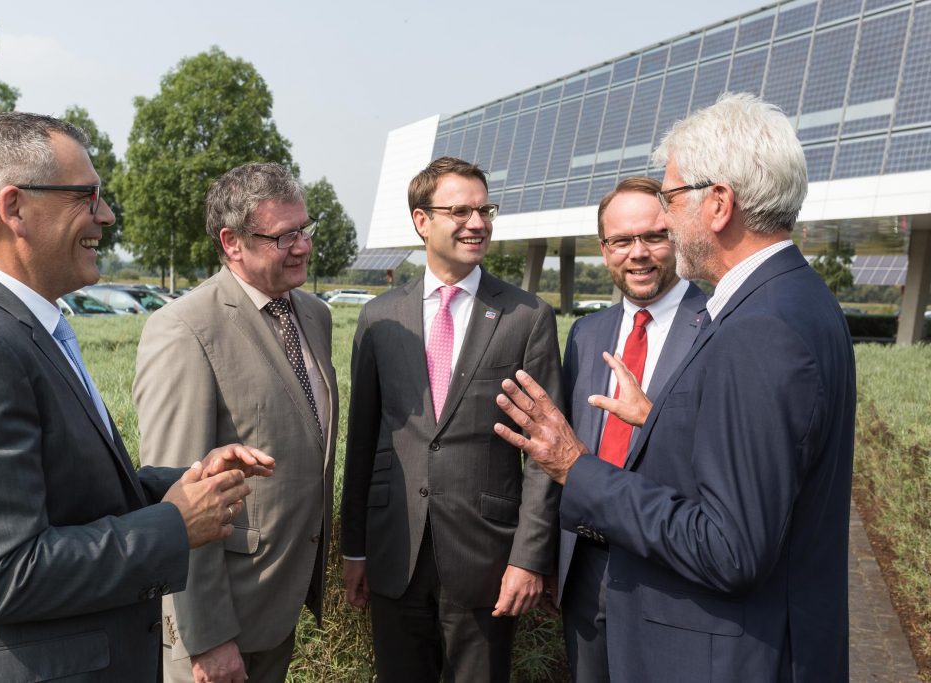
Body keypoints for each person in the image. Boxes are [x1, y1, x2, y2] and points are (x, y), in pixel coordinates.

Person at [495, 93, 855, 682]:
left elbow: (729, 548)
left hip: (720, 655)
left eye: (670, 198)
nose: (662, 218)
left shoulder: (758, 329)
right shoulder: (797, 300)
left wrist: (574, 467)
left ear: (718, 203)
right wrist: (662, 423)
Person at [0, 112, 274, 683]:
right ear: (13, 208)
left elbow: (61, 495)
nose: (105, 214)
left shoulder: (19, 326)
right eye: (87, 195)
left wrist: (177, 484)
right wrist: (175, 525)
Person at [340, 156, 563, 682]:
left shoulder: (526, 318)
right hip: (396, 556)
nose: (478, 222)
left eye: (485, 209)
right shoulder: (379, 319)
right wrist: (354, 549)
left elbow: (544, 455)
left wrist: (529, 557)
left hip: (486, 560)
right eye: (460, 210)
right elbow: (363, 438)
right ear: (421, 221)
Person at [134, 163, 337, 683]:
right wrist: (206, 636)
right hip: (221, 623)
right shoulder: (184, 329)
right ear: (232, 242)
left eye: (305, 229)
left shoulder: (313, 314)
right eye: (283, 236)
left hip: (280, 600)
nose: (302, 247)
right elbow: (178, 497)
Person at [558, 176, 706, 682]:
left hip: (671, 567)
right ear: (604, 250)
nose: (638, 254)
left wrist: (655, 421)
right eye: (622, 241)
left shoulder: (716, 324)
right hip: (586, 567)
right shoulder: (585, 334)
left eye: (654, 236)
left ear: (678, 237)